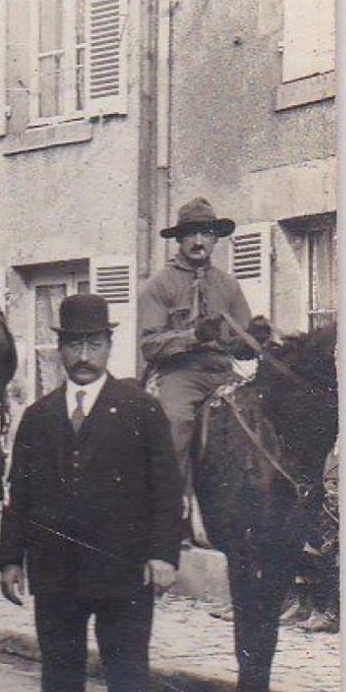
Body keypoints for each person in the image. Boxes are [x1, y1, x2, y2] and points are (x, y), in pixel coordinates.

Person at [0, 292, 185, 692]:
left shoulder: (141, 410)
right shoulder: (36, 418)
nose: (84, 356)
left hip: (124, 575)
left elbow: (168, 489)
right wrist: (10, 558)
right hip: (56, 575)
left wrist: (164, 554)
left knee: (127, 684)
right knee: (60, 681)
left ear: (109, 346)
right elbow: (19, 494)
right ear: (59, 350)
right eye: (75, 345)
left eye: (94, 344)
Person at [136, 198, 252, 513]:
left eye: (206, 233)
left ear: (215, 238)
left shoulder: (228, 285)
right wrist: (193, 336)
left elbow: (242, 341)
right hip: (179, 374)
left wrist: (256, 337)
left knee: (258, 416)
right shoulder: (159, 285)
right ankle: (172, 512)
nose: (199, 241)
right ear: (179, 239)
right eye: (191, 233)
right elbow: (149, 345)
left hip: (222, 372)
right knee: (176, 420)